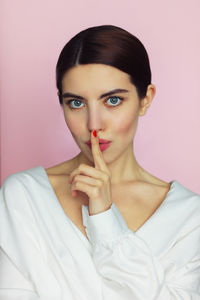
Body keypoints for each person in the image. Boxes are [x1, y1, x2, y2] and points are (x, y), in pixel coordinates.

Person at [0, 24, 200, 300]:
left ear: (146, 99)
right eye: (76, 104)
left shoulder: (191, 218)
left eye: (113, 100)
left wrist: (106, 219)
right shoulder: (22, 196)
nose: (93, 125)